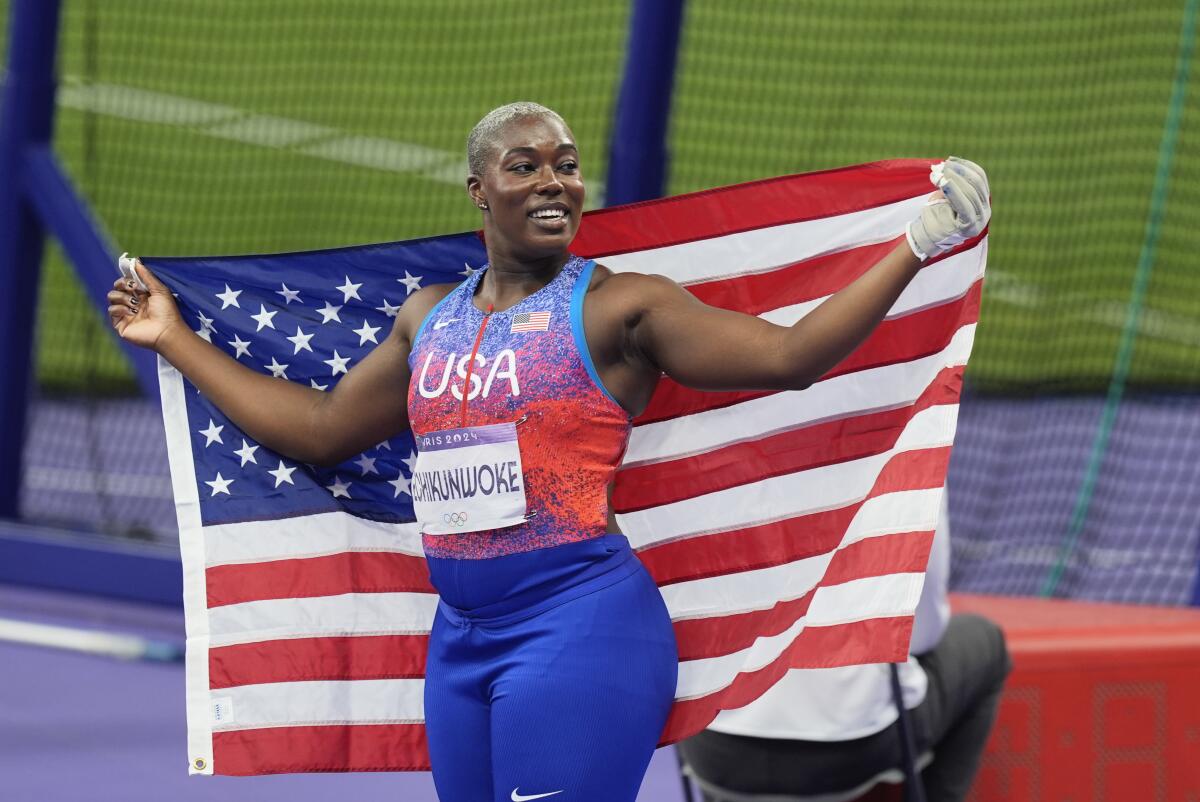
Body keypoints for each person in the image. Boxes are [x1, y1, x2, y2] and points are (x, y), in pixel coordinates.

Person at [108, 101, 991, 802]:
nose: (552, 182)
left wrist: (914, 247)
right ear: (476, 191)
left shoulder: (621, 309)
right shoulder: (429, 317)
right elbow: (319, 429)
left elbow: (790, 360)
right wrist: (174, 339)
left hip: (579, 628)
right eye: (523, 165)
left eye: (566, 166)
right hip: (459, 644)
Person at [677, 490, 1012, 802]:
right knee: (988, 644)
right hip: (852, 750)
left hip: (713, 745)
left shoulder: (694, 435)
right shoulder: (912, 434)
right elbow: (921, 632)